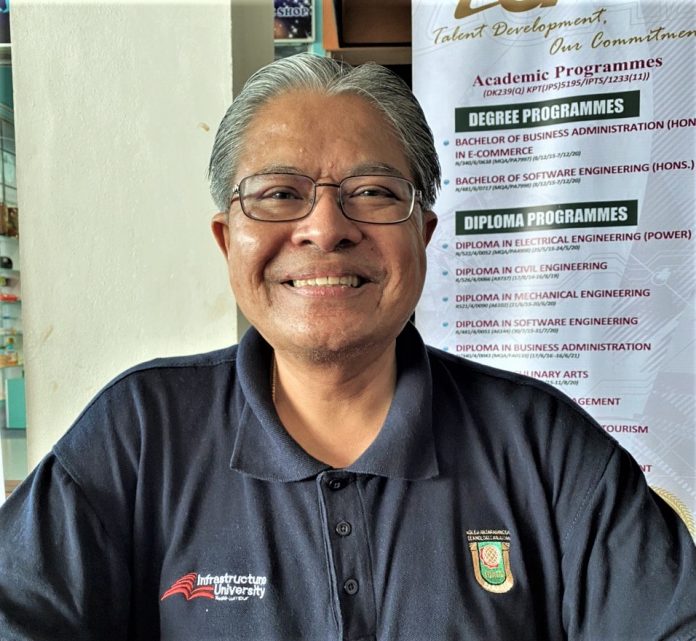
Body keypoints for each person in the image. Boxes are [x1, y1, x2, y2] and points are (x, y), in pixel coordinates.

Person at [0, 53, 694, 641]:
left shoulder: (545, 446)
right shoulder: (138, 433)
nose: (326, 228)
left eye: (371, 191)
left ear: (422, 235)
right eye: (280, 193)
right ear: (226, 240)